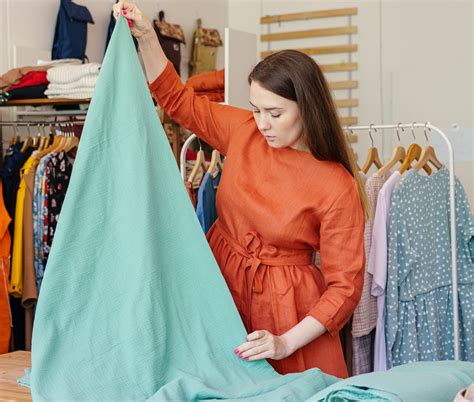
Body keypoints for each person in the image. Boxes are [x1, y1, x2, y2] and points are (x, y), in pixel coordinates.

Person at [113, 1, 368, 379]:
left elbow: (344, 289)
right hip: (218, 284)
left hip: (287, 311)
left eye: (275, 113)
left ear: (307, 107)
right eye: (256, 109)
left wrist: (285, 341)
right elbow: (179, 101)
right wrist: (147, 37)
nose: (262, 123)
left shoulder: (336, 185)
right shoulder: (244, 130)